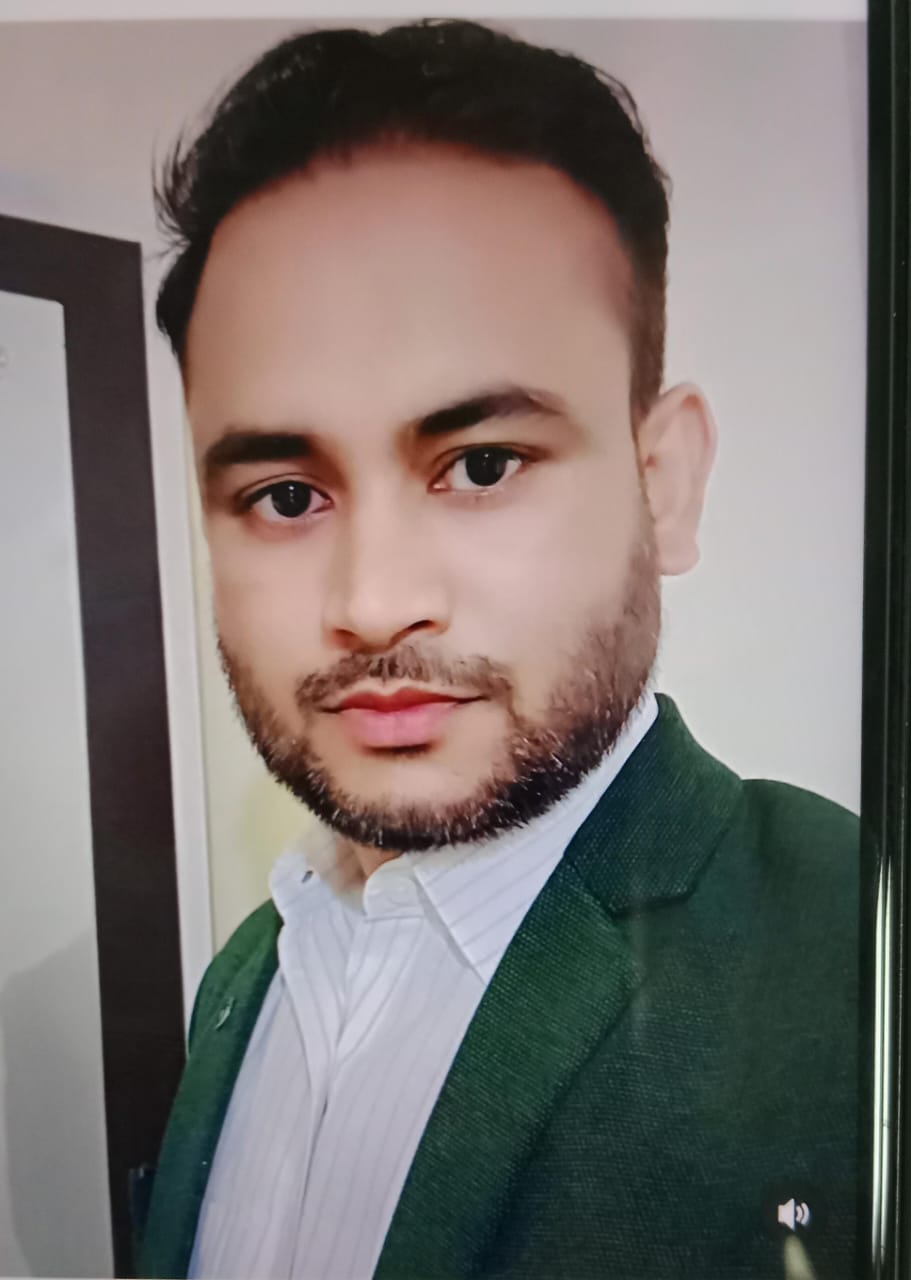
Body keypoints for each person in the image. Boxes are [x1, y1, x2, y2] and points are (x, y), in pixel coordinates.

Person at [136, 19, 860, 1279]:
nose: (374, 602)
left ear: (662, 482)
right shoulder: (243, 977)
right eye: (286, 495)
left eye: (479, 465)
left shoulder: (853, 956)